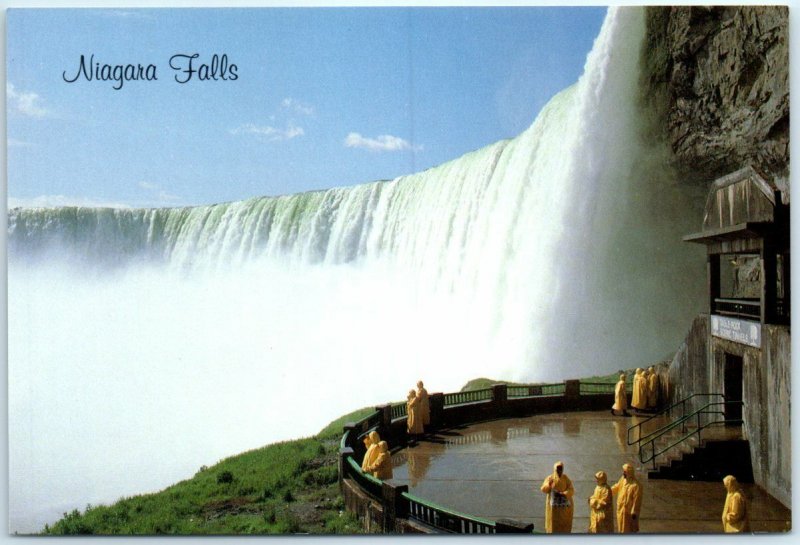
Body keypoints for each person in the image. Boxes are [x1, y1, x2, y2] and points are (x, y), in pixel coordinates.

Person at [539, 461, 574, 533]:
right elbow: (543, 489)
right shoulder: (550, 478)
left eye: (561, 469)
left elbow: (571, 490)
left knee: (564, 524)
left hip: (564, 506)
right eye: (558, 469)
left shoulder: (565, 478)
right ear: (555, 469)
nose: (559, 471)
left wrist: (564, 494)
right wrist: (549, 485)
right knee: (553, 524)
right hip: (553, 508)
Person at [611, 463, 643, 533]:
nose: (623, 473)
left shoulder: (636, 486)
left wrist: (634, 512)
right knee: (620, 527)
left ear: (629, 473)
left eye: (625, 472)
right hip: (621, 509)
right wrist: (609, 491)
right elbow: (617, 486)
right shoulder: (623, 479)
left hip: (628, 512)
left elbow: (637, 501)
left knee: (628, 529)